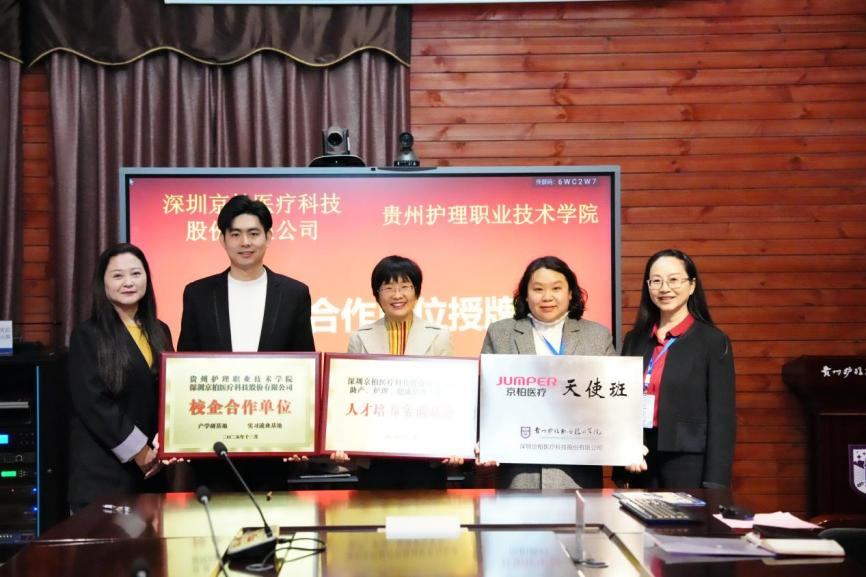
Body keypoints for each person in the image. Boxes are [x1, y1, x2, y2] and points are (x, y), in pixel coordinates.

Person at [177, 194, 315, 490]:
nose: (245, 242)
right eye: (235, 234)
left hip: (273, 439)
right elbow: (184, 366)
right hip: (213, 439)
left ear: (268, 237)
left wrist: (302, 436)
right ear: (223, 239)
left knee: (270, 514)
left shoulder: (294, 294)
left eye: (253, 233)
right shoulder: (198, 294)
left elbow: (304, 366)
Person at [480, 255, 615, 489]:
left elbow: (614, 401)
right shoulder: (500, 333)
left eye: (556, 288)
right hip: (520, 473)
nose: (547, 297)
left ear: (571, 293)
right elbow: (486, 396)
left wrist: (628, 442)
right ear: (525, 294)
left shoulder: (597, 335)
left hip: (577, 475)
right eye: (538, 289)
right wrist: (486, 439)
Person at [616, 248, 735, 489]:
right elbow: (621, 404)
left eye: (673, 280)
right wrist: (625, 449)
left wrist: (715, 482)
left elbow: (722, 418)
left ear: (692, 285)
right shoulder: (634, 339)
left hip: (689, 462)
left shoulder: (712, 341)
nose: (664, 288)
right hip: (640, 458)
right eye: (656, 281)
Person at [68, 243, 172, 513]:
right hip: (104, 474)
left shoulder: (160, 331)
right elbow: (94, 403)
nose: (128, 282)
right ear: (102, 283)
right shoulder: (87, 335)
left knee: (150, 541)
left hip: (152, 472)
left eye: (136, 273)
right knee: (108, 543)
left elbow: (170, 394)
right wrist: (139, 451)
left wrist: (166, 444)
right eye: (118, 275)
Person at [338, 255, 458, 489]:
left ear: (417, 292)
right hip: (375, 456)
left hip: (426, 455)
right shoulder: (360, 337)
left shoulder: (439, 335)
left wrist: (454, 443)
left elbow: (451, 395)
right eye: (388, 288)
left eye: (405, 287)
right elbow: (349, 395)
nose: (397, 295)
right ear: (377, 294)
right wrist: (340, 440)